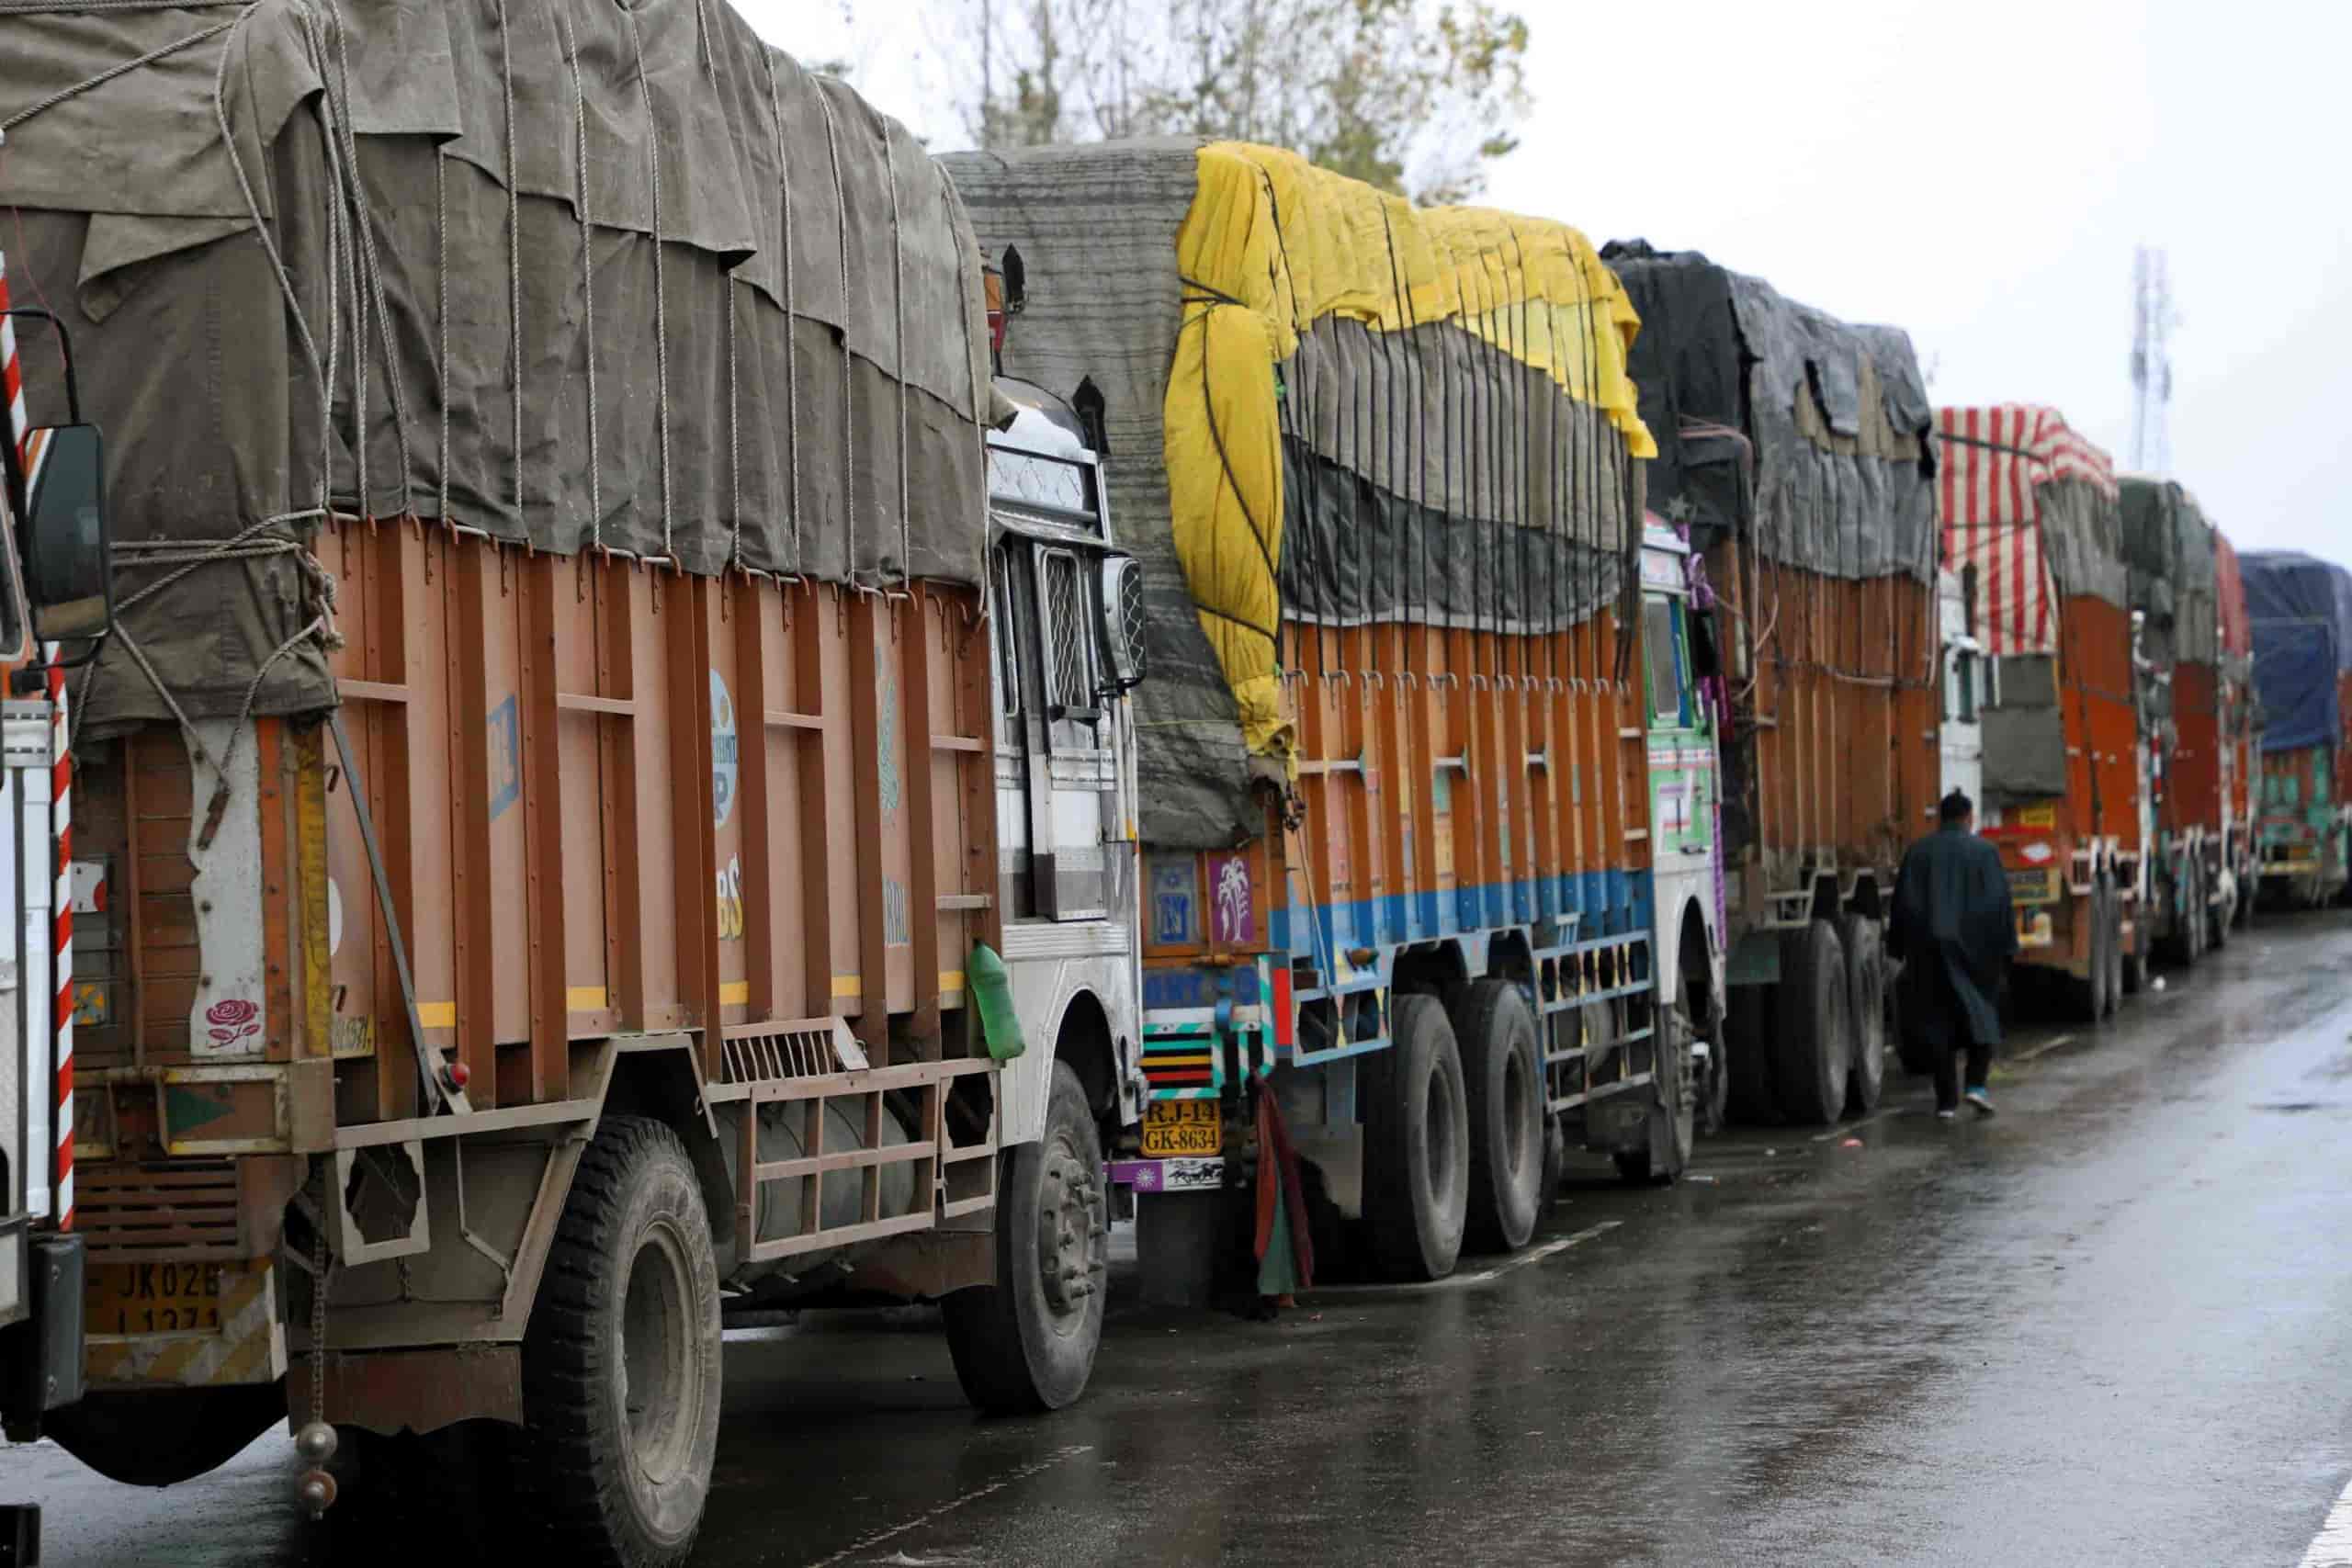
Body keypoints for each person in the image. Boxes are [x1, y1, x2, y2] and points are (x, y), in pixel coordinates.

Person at [1889, 789, 2018, 1119]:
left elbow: (1902, 904)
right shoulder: (1986, 853)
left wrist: (1899, 948)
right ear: (1969, 817)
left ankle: (1946, 1101)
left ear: (1940, 818)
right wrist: (2006, 948)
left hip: (1929, 952)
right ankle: (1976, 1085)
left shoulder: (1917, 853)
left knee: (1938, 1024)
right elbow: (2000, 903)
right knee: (1982, 1016)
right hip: (1977, 950)